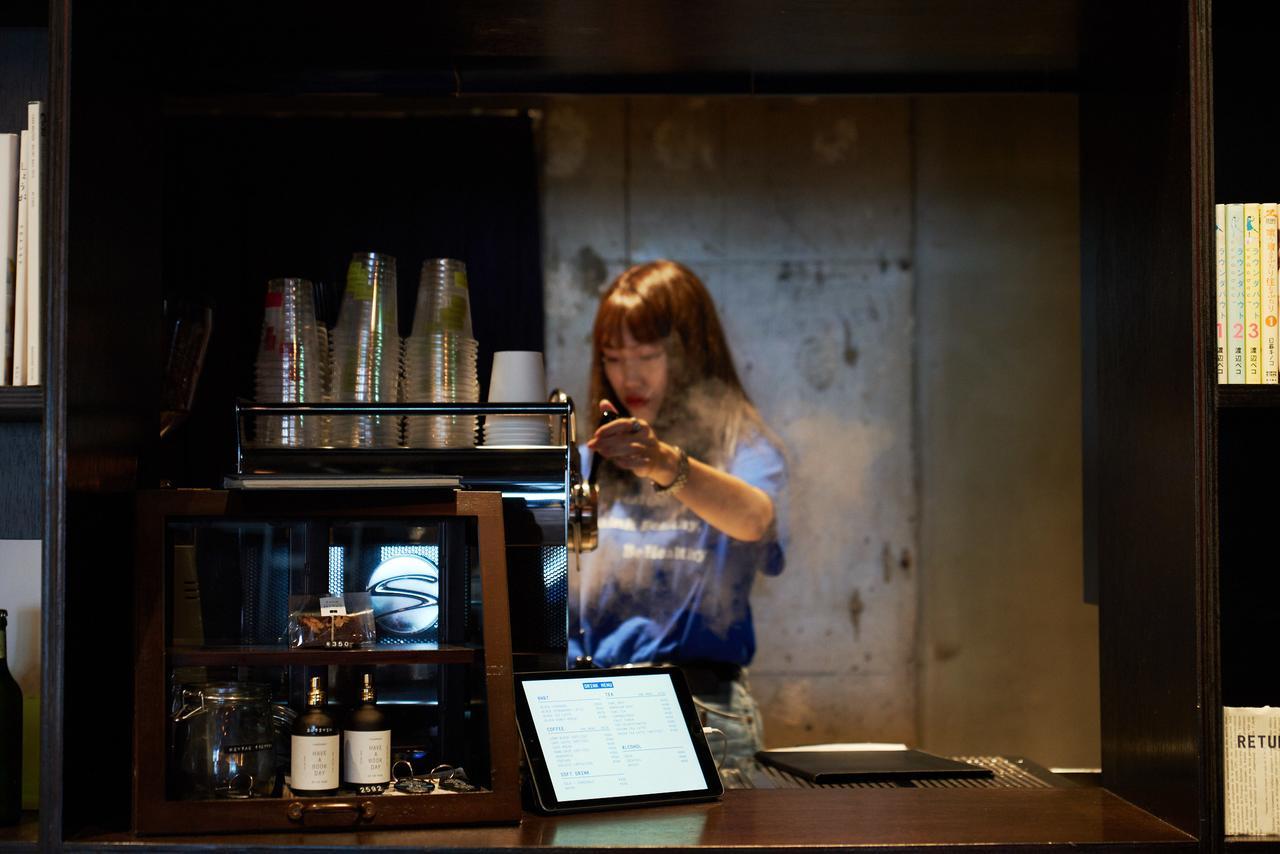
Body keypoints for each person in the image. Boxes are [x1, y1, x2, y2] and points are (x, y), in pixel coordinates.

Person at [570, 259, 789, 771]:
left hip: (701, 706)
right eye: (613, 357)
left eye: (647, 355)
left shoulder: (743, 447)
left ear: (691, 352)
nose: (629, 377)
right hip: (593, 702)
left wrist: (666, 463)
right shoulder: (592, 461)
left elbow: (755, 519)